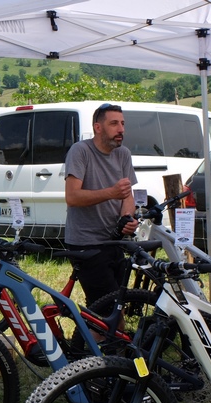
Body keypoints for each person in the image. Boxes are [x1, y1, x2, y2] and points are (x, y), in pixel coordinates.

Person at [64, 103, 139, 306]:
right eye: (114, 124)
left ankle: (90, 327)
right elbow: (72, 197)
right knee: (109, 307)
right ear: (98, 127)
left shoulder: (123, 154)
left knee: (114, 305)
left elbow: (127, 195)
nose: (121, 129)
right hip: (86, 243)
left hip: (113, 241)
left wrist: (127, 219)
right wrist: (111, 193)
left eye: (122, 123)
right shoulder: (80, 151)